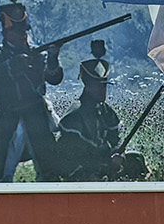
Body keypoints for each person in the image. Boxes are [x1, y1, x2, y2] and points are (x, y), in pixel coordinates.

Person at [0, 0, 63, 182]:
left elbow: (54, 78)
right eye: (18, 32)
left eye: (24, 31)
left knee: (47, 171)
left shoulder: (37, 53)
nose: (22, 35)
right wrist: (12, 65)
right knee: (2, 175)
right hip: (9, 116)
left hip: (36, 116)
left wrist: (52, 57)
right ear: (6, 32)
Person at [43, 40, 146, 181]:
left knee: (136, 159)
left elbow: (115, 140)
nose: (103, 90)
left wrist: (118, 156)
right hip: (83, 167)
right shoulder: (74, 115)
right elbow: (68, 156)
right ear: (88, 87)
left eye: (104, 86)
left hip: (104, 162)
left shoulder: (107, 112)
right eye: (98, 86)